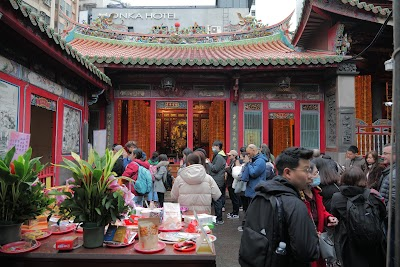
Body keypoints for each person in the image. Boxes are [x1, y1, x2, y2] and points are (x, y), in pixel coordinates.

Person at [239, 147, 319, 267]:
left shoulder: (261, 194)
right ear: (288, 172)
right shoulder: (295, 205)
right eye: (306, 170)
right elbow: (307, 252)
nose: (310, 176)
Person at [330, 167, 386, 267]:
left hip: (349, 241)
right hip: (374, 240)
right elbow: (382, 214)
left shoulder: (336, 197)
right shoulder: (373, 195)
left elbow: (334, 216)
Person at [300, 162, 338, 267]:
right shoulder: (298, 196)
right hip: (306, 242)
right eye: (316, 173)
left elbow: (322, 211)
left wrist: (329, 217)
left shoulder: (316, 192)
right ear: (307, 176)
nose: (318, 175)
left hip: (319, 238)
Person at [378, 143, 396, 267]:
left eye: (385, 153)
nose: (382, 155)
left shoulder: (394, 174)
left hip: (391, 221)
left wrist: (385, 216)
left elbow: (393, 201)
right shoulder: (389, 171)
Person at [207, 140, 227, 225]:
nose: (212, 148)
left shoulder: (219, 157)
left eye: (214, 146)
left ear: (218, 147)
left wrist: (208, 163)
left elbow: (215, 169)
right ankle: (217, 217)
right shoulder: (219, 156)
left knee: (217, 200)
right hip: (217, 180)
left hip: (217, 181)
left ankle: (219, 218)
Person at [225, 150, 241, 219]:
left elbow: (235, 173)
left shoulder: (236, 162)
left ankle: (235, 213)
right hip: (230, 182)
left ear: (234, 156)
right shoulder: (232, 162)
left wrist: (227, 169)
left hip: (233, 183)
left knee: (235, 198)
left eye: (230, 155)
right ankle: (233, 211)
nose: (229, 157)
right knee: (232, 198)